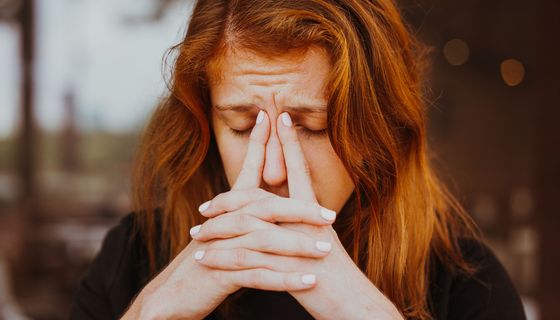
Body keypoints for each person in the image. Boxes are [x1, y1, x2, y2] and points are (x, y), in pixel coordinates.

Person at [71, 0, 526, 319]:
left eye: (312, 127)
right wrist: (152, 314)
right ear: (205, 124)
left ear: (381, 129)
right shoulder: (132, 257)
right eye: (243, 125)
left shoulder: (468, 285)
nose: (272, 170)